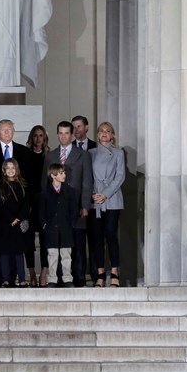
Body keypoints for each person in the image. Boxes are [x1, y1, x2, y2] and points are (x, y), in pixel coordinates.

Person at [0, 119, 38, 287]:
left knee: (17, 247)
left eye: (9, 130)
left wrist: (25, 210)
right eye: (3, 130)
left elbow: (29, 183)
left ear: (14, 131)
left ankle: (18, 278)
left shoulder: (24, 152)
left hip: (18, 210)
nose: (7, 133)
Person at [41, 121, 93, 286]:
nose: (63, 136)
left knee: (75, 244)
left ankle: (77, 279)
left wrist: (85, 205)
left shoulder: (83, 155)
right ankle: (56, 279)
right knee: (55, 246)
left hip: (75, 206)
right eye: (60, 133)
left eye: (66, 133)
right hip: (55, 210)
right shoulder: (50, 155)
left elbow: (87, 182)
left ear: (72, 135)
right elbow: (45, 183)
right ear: (57, 134)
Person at [89, 122, 126, 287]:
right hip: (95, 199)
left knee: (110, 234)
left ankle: (115, 272)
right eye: (101, 131)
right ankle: (100, 273)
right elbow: (87, 176)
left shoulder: (118, 153)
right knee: (97, 238)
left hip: (112, 199)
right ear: (97, 135)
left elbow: (120, 176)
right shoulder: (91, 153)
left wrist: (105, 194)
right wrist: (93, 194)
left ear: (112, 135)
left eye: (108, 131)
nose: (104, 133)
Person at [0, 158, 31, 286]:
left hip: (18, 223)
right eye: (8, 168)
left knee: (19, 253)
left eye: (13, 168)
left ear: (17, 169)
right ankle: (6, 279)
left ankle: (22, 278)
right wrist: (9, 219)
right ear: (4, 170)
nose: (11, 170)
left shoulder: (23, 185)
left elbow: (26, 204)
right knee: (5, 253)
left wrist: (18, 218)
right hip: (4, 223)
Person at [40, 164, 77, 287]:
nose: (64, 175)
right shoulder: (45, 193)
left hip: (65, 228)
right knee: (52, 255)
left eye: (64, 173)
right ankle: (52, 279)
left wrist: (70, 223)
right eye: (61, 173)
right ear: (52, 175)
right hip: (51, 229)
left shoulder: (70, 191)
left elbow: (73, 210)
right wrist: (45, 224)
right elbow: (41, 211)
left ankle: (67, 279)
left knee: (66, 255)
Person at [26, 124, 49, 286]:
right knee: (27, 239)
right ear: (31, 138)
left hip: (45, 202)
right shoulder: (25, 155)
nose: (38, 138)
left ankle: (44, 273)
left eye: (41, 135)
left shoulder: (49, 156)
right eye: (35, 135)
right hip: (29, 202)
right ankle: (31, 272)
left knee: (44, 239)